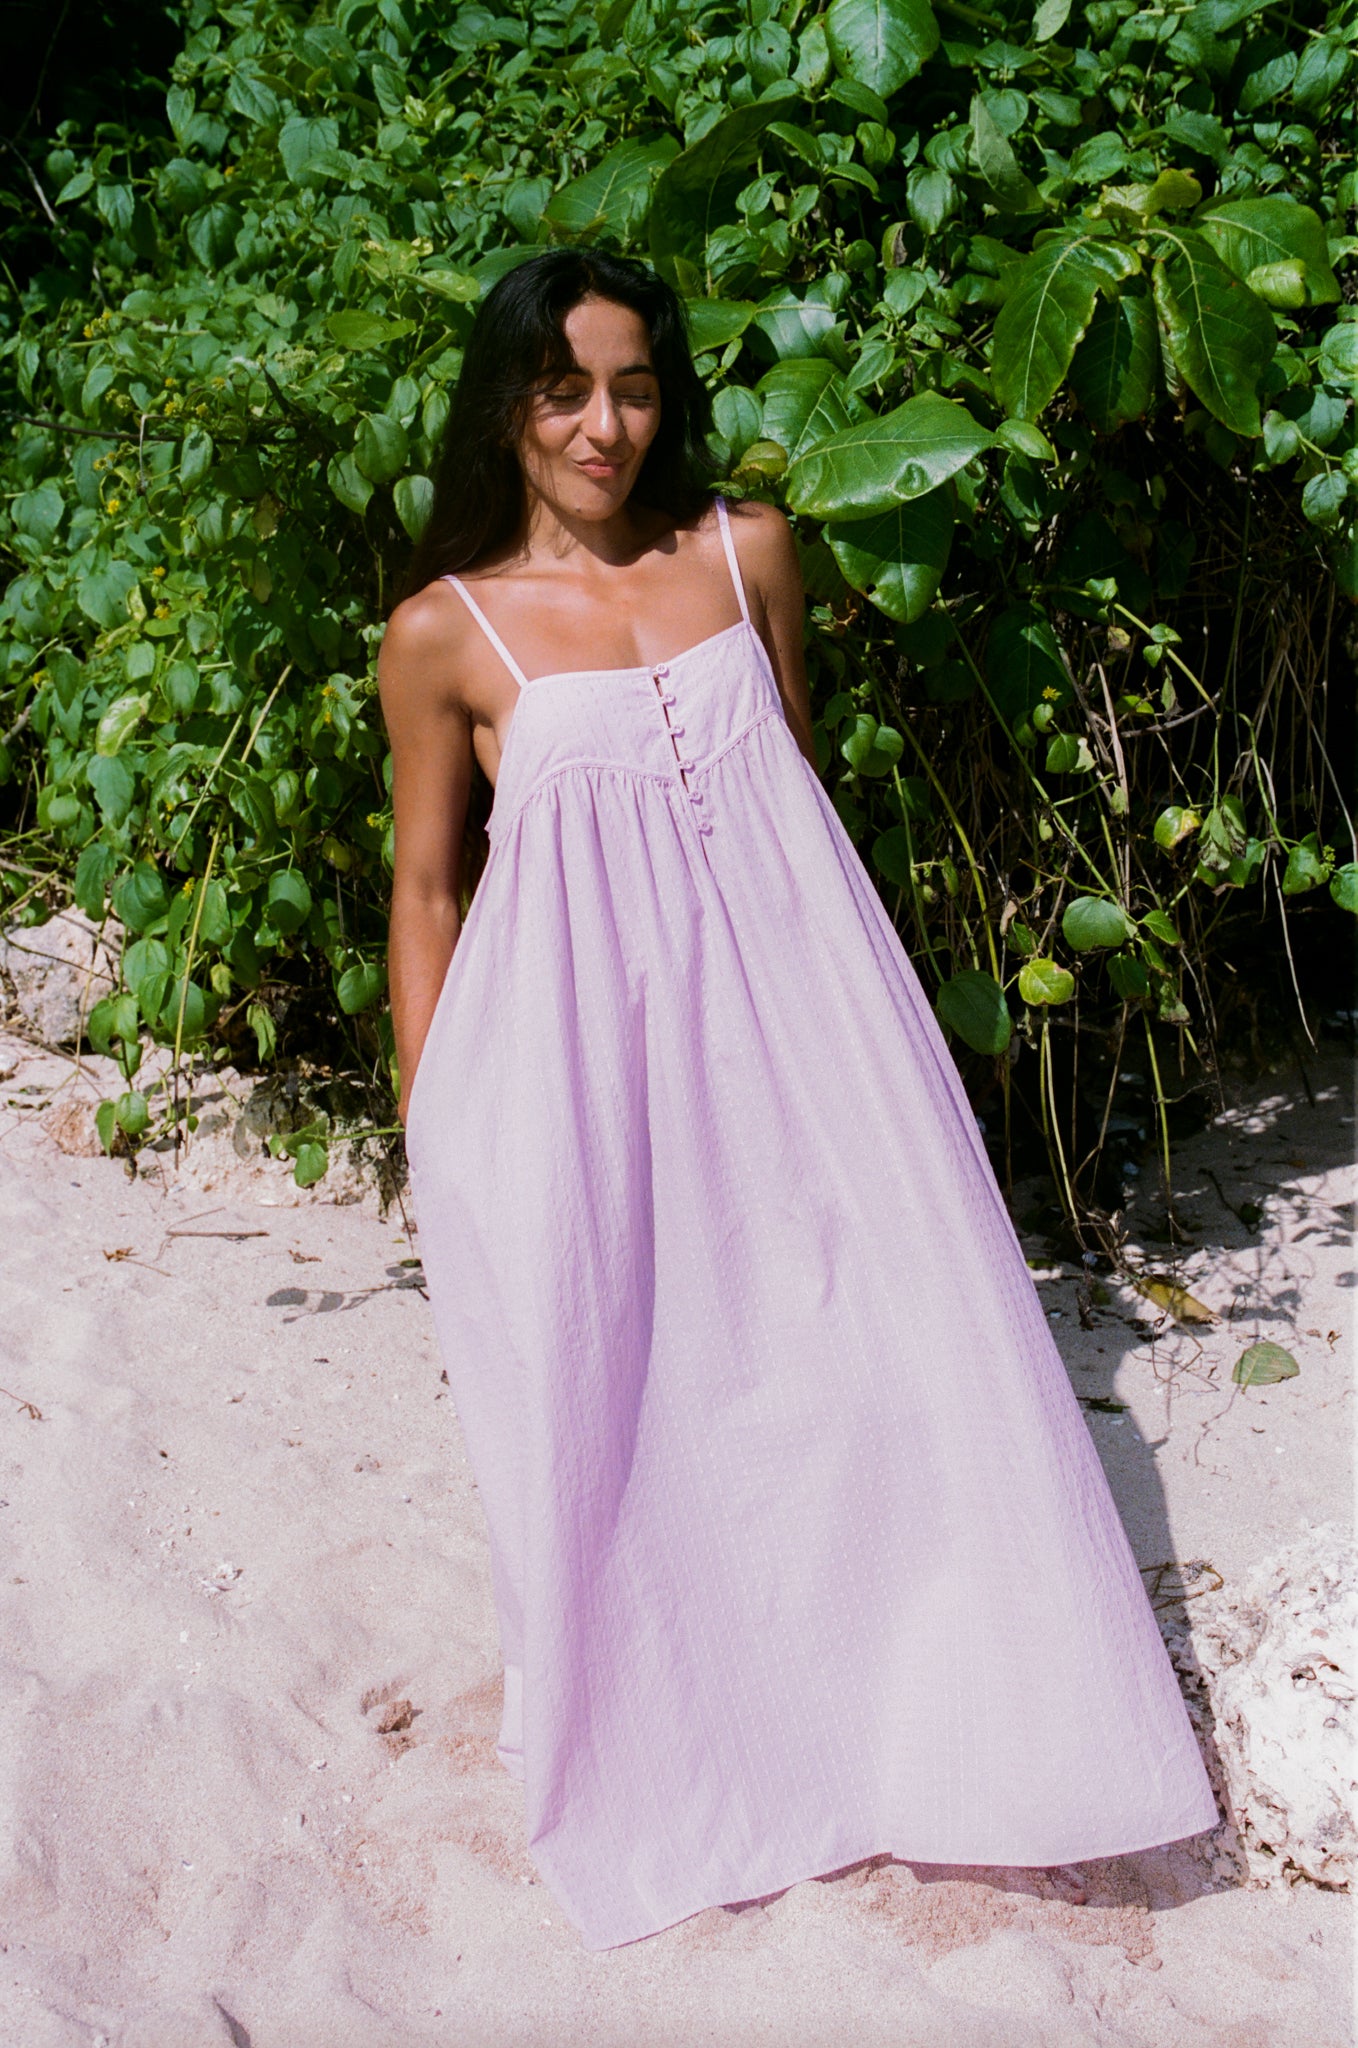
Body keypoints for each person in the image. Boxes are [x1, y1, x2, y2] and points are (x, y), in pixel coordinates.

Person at [377, 247, 1218, 1952]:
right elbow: (427, 893)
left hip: (810, 1018)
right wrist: (434, 1126)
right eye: (563, 390)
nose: (602, 425)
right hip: (577, 1064)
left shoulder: (748, 547)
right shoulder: (444, 632)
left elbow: (794, 794)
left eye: (632, 386)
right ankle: (705, 1753)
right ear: (506, 406)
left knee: (877, 1356)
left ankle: (926, 1728)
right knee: (640, 1391)